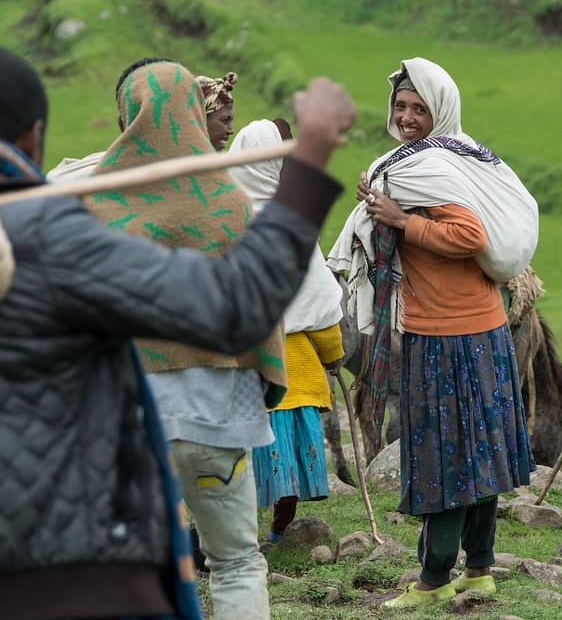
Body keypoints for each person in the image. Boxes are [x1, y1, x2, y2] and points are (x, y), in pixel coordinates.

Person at [0, 43, 355, 620]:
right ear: (33, 137)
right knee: (232, 560)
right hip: (66, 562)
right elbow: (239, 306)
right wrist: (306, 168)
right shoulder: (58, 235)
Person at [328, 57, 538, 609]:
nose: (408, 117)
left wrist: (400, 220)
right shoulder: (447, 162)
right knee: (481, 452)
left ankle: (434, 578)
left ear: (441, 111)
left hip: (447, 336)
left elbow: (468, 234)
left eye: (420, 108)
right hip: (481, 330)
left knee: (444, 457)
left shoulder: (432, 168)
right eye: (400, 106)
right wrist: (384, 206)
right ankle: (481, 570)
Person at [83, 59, 284, 620]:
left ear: (129, 114)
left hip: (129, 426)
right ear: (192, 110)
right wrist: (265, 385)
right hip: (220, 419)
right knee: (238, 561)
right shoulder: (232, 206)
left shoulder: (97, 207)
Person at [229, 118, 344, 543]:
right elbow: (319, 302)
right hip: (292, 370)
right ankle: (279, 534)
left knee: (236, 467)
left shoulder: (221, 223)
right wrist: (333, 355)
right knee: (288, 467)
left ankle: (237, 536)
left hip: (238, 373)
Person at [45, 66, 237, 180]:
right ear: (198, 119)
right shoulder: (161, 174)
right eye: (225, 121)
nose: (231, 131)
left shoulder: (221, 174)